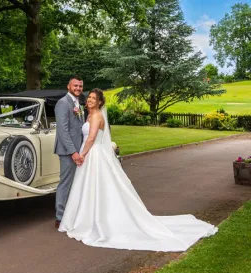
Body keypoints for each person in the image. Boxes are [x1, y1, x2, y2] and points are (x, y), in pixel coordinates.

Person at [58, 88, 218, 252]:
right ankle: (87, 218)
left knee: (97, 186)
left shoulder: (97, 116)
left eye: (94, 98)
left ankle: (96, 220)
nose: (90, 100)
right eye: (89, 97)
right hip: (91, 154)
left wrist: (81, 155)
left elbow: (91, 138)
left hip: (93, 154)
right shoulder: (89, 115)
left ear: (100, 102)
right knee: (87, 187)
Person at [53, 76, 86, 228]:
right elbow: (62, 131)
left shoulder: (78, 103)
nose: (78, 88)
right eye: (75, 86)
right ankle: (60, 217)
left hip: (79, 150)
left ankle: (71, 214)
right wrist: (73, 152)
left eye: (80, 86)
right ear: (68, 87)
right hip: (68, 151)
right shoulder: (63, 103)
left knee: (75, 182)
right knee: (65, 183)